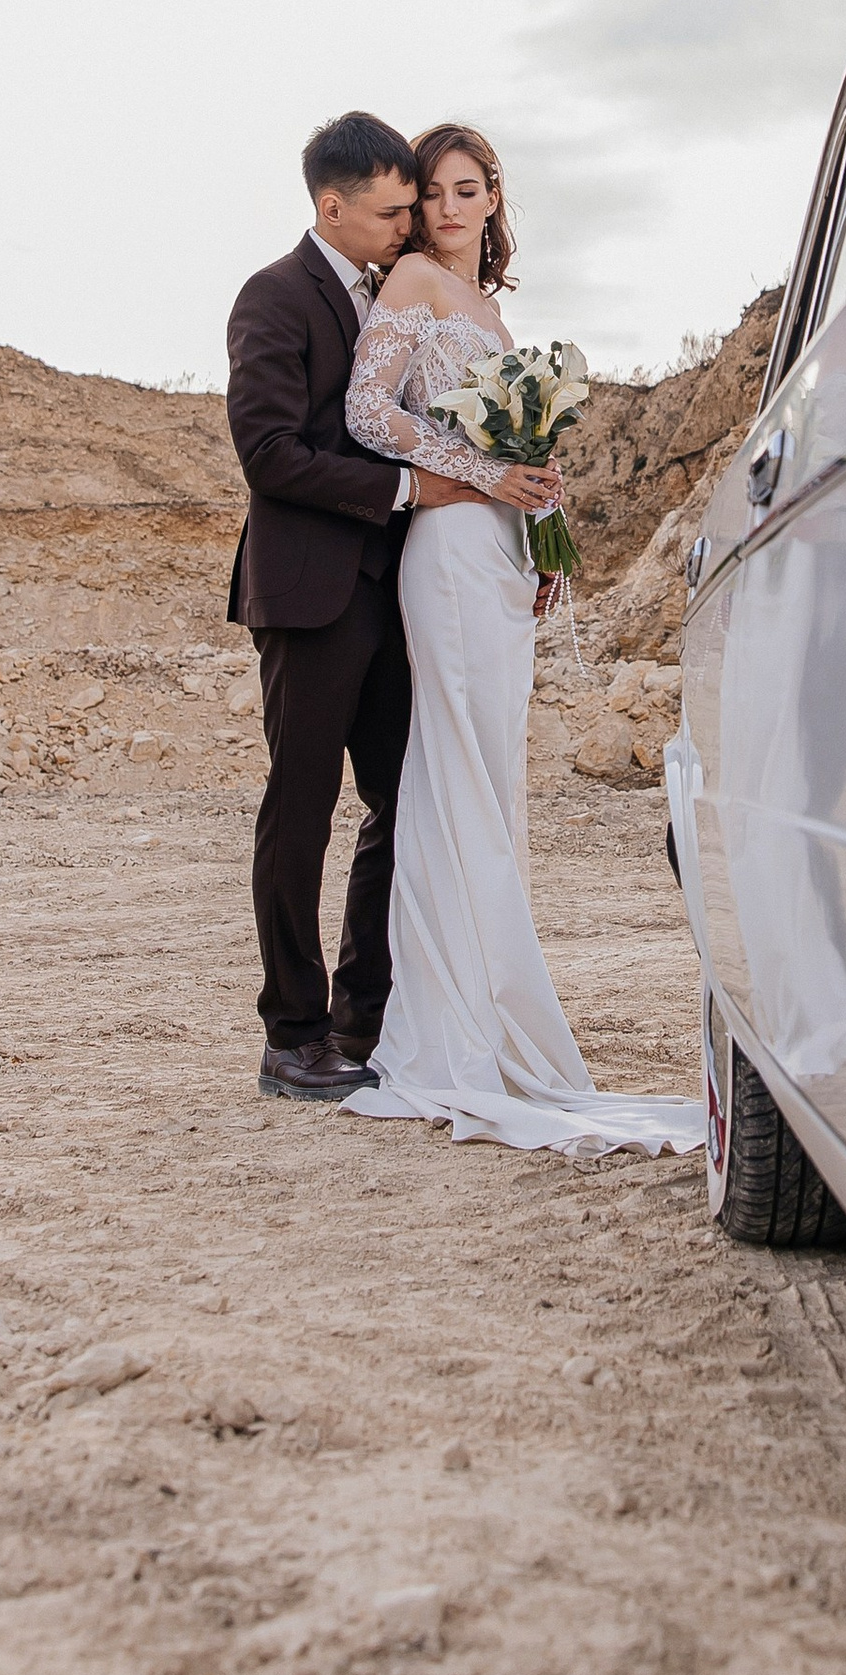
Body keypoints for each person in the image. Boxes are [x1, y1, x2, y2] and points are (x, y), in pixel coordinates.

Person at [339, 121, 704, 1159]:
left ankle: (489, 1008)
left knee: (491, 778)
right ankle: (450, 1030)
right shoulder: (408, 282)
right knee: (452, 770)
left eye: (466, 192)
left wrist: (539, 527)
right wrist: (485, 477)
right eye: (433, 194)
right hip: (447, 549)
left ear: (494, 199)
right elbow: (368, 413)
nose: (447, 210)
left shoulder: (490, 312)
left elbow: (514, 441)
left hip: (500, 556)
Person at [226, 111, 484, 1100]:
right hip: (306, 591)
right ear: (329, 207)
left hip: (389, 591)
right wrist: (411, 491)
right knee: (302, 812)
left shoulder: (389, 295)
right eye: (386, 212)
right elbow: (269, 454)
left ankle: (360, 1015)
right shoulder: (274, 298)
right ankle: (289, 1036)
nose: (403, 226)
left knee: (398, 801)